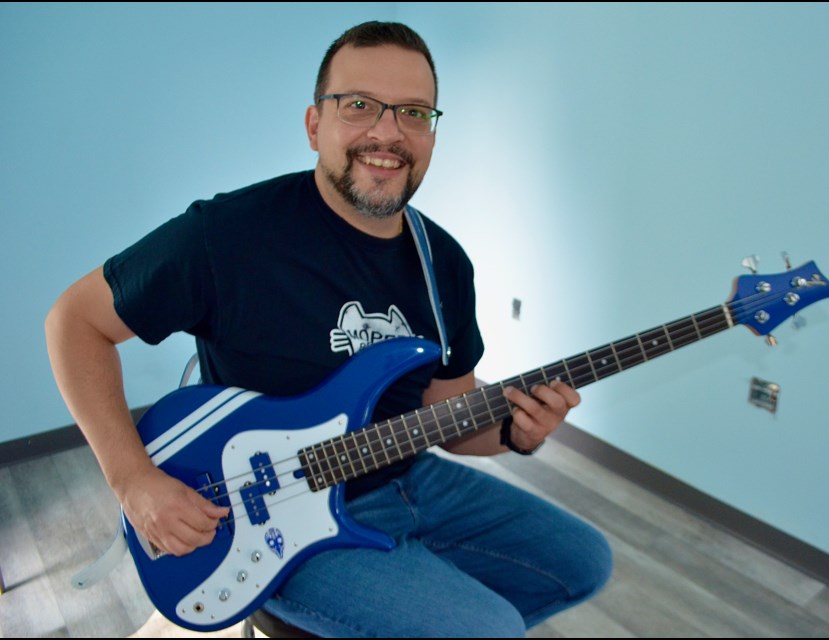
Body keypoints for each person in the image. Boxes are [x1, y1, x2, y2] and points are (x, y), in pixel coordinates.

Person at [45, 21, 612, 638]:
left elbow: (449, 415)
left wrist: (517, 432)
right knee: (488, 629)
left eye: (414, 113)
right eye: (360, 105)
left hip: (406, 475)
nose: (388, 132)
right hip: (274, 518)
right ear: (315, 124)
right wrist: (134, 480)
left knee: (583, 562)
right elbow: (74, 322)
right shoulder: (229, 236)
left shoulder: (441, 261)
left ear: (431, 133)